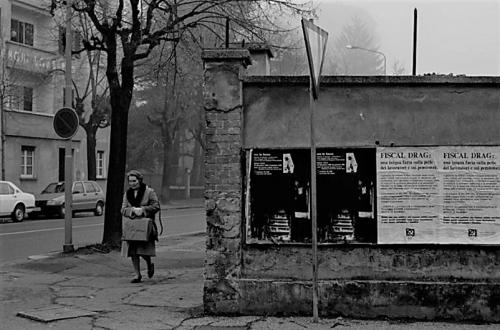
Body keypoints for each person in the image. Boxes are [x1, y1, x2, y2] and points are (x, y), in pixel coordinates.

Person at [121, 170, 160, 283]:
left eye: (134, 181)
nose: (132, 183)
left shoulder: (149, 192)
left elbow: (156, 206)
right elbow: (123, 209)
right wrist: (132, 210)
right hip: (132, 226)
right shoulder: (127, 194)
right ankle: (137, 275)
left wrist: (143, 210)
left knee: (143, 251)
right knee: (133, 251)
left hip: (145, 226)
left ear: (139, 180)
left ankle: (149, 263)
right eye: (130, 181)